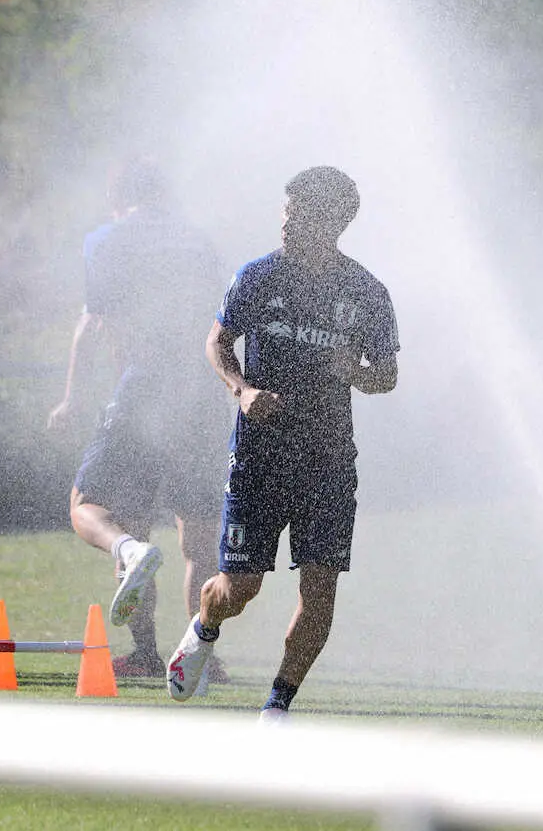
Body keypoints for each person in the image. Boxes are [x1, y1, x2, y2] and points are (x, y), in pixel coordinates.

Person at [166, 166, 399, 718]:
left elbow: (386, 374)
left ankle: (277, 707)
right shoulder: (258, 276)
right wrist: (240, 388)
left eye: (298, 214)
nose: (286, 223)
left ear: (334, 221)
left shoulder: (366, 292)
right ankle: (205, 626)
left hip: (329, 462)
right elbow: (217, 341)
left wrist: (357, 373)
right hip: (260, 456)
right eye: (285, 211)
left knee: (320, 590)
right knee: (239, 587)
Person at [48, 159, 231, 680]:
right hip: (202, 396)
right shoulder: (199, 242)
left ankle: (147, 649)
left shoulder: (106, 240)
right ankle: (202, 653)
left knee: (96, 512)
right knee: (198, 537)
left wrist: (72, 398)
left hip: (144, 389)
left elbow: (93, 322)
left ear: (117, 198)